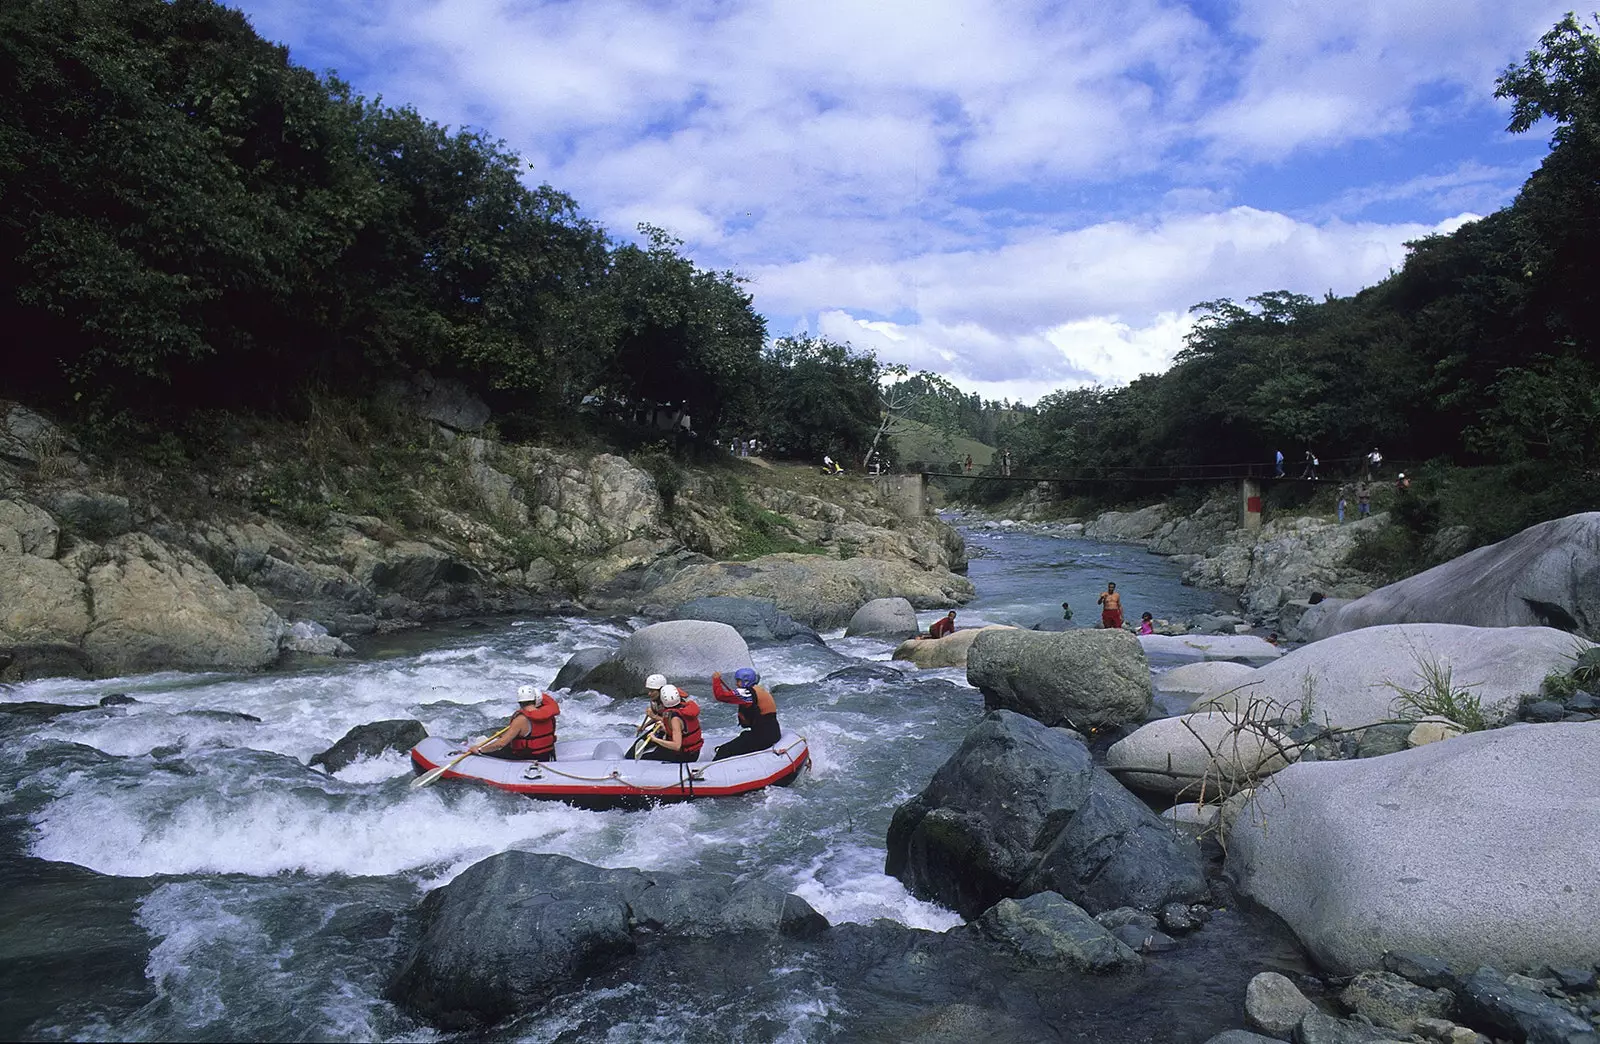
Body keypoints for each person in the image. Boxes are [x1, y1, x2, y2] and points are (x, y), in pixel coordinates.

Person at [470, 684, 559, 762]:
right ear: (536, 700)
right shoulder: (548, 715)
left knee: (492, 751)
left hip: (526, 757)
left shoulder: (521, 719)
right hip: (546, 755)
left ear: (520, 702)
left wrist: (480, 749)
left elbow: (501, 743)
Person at [711, 667, 780, 760]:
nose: (736, 683)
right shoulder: (758, 690)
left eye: (738, 681)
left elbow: (720, 696)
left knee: (723, 750)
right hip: (772, 733)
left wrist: (716, 679)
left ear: (746, 681)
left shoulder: (747, 693)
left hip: (764, 737)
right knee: (745, 735)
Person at [632, 684, 703, 763]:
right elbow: (682, 731)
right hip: (693, 751)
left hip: (686, 755)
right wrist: (665, 728)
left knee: (644, 758)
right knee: (657, 751)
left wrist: (655, 739)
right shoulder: (684, 708)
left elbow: (676, 746)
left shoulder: (675, 718)